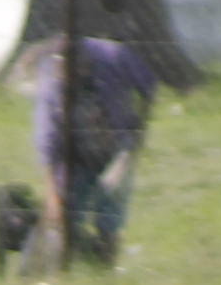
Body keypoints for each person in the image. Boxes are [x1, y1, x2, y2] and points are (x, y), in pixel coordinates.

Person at [24, 33, 155, 265]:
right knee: (67, 208)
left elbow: (148, 86)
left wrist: (137, 132)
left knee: (111, 200)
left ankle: (106, 257)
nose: (70, 77)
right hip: (75, 154)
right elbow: (46, 143)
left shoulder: (113, 56)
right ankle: (65, 262)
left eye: (76, 69)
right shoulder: (50, 86)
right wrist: (52, 194)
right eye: (63, 73)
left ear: (85, 60)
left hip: (115, 145)